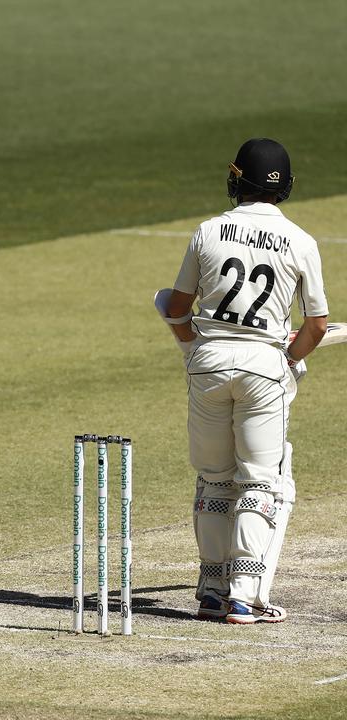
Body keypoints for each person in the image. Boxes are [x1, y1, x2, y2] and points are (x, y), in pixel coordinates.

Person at [159, 137, 327, 624]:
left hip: (209, 364)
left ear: (237, 178)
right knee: (259, 481)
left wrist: (194, 344)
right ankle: (243, 595)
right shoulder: (301, 240)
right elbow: (316, 326)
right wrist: (290, 360)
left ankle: (211, 589)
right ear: (286, 186)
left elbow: (176, 307)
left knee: (214, 479)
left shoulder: (208, 231)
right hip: (263, 367)